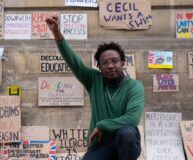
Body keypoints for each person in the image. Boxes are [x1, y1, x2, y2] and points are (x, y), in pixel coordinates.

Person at [46, 16, 144, 160]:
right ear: (99, 66)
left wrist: (102, 125)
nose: (110, 65)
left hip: (124, 144)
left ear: (122, 63)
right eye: (105, 62)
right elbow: (73, 61)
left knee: (127, 132)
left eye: (115, 61)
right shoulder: (93, 79)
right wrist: (56, 33)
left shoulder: (134, 87)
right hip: (100, 143)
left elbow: (132, 118)